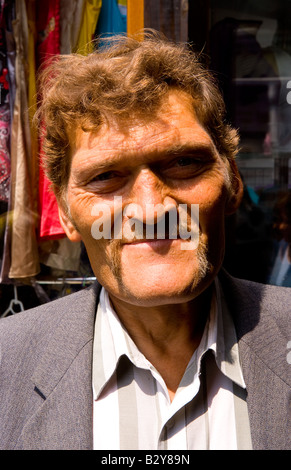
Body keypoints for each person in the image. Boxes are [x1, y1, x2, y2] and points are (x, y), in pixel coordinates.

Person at [0, 31, 290, 451]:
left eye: (184, 163)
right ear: (65, 212)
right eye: (105, 177)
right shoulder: (8, 364)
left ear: (232, 183)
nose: (152, 211)